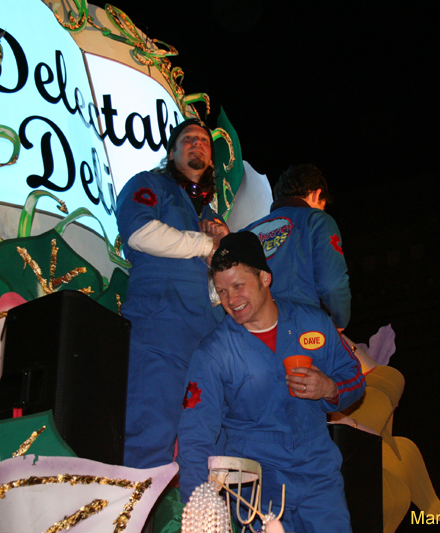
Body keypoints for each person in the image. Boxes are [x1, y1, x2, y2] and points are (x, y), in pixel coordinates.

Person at [177, 231, 366, 532]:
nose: (231, 300)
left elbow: (355, 379)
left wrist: (329, 388)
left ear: (265, 277)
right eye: (222, 291)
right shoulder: (213, 353)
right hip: (256, 488)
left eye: (238, 286)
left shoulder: (314, 322)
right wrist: (198, 511)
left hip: (319, 477)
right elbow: (194, 438)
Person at [116, 118, 228, 469]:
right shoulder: (151, 184)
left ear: (210, 160)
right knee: (148, 435)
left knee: (209, 448)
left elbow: (220, 288)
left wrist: (223, 251)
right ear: (172, 151)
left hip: (207, 339)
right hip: (160, 330)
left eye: (205, 142)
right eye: (189, 138)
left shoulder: (211, 216)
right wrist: (206, 244)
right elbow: (139, 232)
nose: (198, 144)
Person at [244, 163, 350, 330]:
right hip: (301, 329)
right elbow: (332, 284)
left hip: (252, 334)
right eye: (323, 205)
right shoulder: (316, 220)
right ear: (317, 194)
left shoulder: (246, 233)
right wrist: (340, 319)